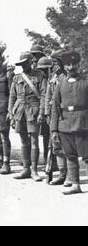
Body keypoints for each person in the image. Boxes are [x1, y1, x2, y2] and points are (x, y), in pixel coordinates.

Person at [51, 51, 88, 195]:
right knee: (70, 155)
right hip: (65, 125)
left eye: (74, 64)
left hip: (83, 124)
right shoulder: (60, 84)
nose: (71, 67)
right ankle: (75, 184)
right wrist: (54, 130)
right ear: (64, 66)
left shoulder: (85, 82)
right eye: (68, 64)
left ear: (79, 64)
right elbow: (54, 107)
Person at [9, 52, 47, 181]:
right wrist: (11, 113)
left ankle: (34, 170)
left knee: (34, 140)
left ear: (31, 62)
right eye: (22, 64)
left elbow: (43, 95)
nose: (24, 66)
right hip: (20, 111)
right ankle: (26, 168)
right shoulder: (16, 78)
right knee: (24, 141)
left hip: (34, 111)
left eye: (26, 63)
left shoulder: (40, 76)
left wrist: (42, 112)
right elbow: (12, 97)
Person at [45, 50, 69, 186]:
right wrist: (47, 113)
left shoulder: (66, 77)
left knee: (66, 144)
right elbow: (48, 96)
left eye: (54, 63)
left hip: (64, 114)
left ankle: (70, 175)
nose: (52, 65)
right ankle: (61, 173)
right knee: (56, 145)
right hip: (54, 114)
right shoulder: (52, 77)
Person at [37, 56, 53, 164]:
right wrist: (43, 112)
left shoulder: (54, 78)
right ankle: (47, 160)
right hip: (46, 112)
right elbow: (43, 97)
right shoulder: (43, 80)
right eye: (41, 70)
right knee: (46, 136)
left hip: (54, 112)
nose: (43, 72)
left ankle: (55, 162)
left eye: (44, 69)